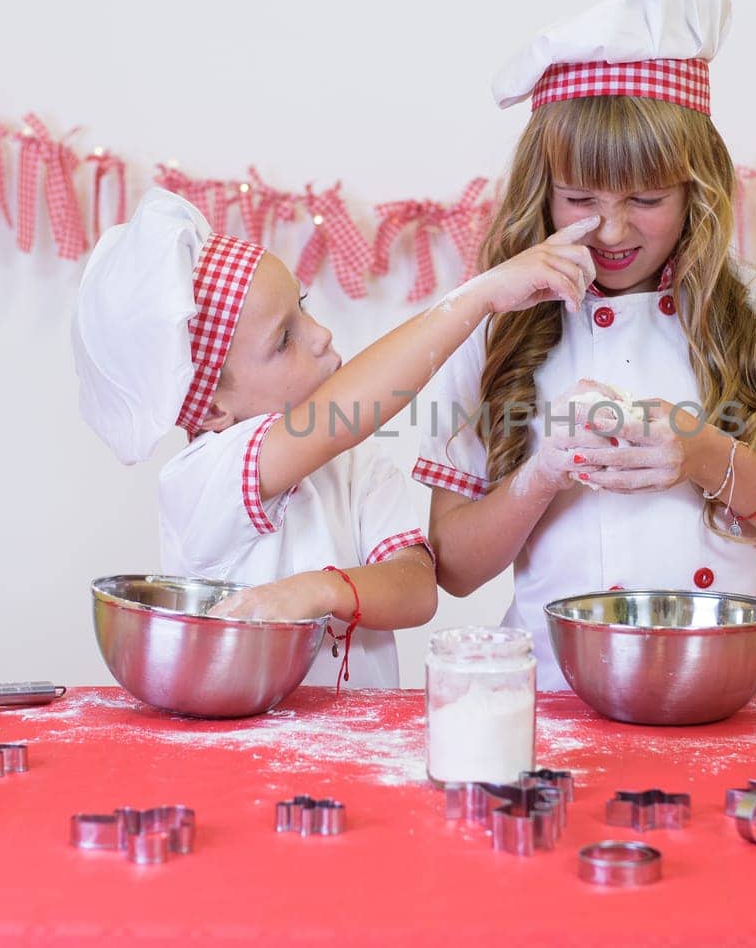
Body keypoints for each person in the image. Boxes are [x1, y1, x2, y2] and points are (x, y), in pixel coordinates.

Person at [416, 0, 756, 689]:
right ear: (542, 192)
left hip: (741, 693)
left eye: (648, 197)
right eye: (579, 198)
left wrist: (708, 458)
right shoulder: (491, 321)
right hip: (552, 696)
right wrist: (542, 474)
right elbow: (453, 568)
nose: (613, 229)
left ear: (700, 186)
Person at [72, 187, 596, 687]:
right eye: (284, 339)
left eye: (303, 307)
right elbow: (341, 414)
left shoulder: (356, 463)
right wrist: (481, 296)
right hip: (250, 752)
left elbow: (417, 589)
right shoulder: (205, 477)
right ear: (212, 407)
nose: (321, 334)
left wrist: (322, 589)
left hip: (359, 749)